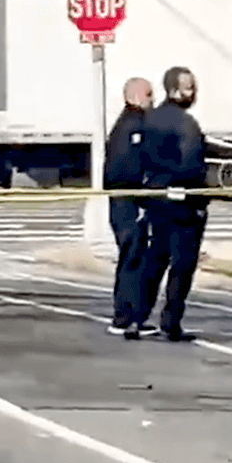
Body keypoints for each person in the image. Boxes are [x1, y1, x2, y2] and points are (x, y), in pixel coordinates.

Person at [137, 66, 209, 341]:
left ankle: (138, 317)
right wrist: (201, 197)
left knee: (155, 259)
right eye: (189, 87)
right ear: (174, 90)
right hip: (183, 203)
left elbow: (142, 156)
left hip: (155, 197)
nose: (194, 93)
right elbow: (191, 165)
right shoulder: (185, 124)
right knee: (183, 263)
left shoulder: (150, 119)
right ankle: (171, 321)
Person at [104, 77, 158, 339]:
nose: (153, 99)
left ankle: (131, 315)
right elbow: (128, 168)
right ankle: (126, 317)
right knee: (133, 257)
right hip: (129, 203)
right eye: (149, 94)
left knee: (134, 257)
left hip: (126, 202)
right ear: (135, 96)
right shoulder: (133, 127)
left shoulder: (128, 125)